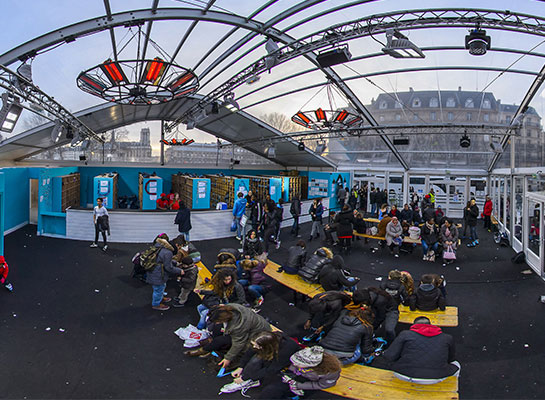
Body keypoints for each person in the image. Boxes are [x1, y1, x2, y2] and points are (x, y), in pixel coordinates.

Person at [187, 304, 272, 369]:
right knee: (217, 330)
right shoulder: (231, 309)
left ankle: (205, 350)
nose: (216, 323)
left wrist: (228, 358)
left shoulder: (238, 326)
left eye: (217, 321)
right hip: (249, 328)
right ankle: (210, 347)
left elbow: (238, 343)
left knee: (222, 340)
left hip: (257, 335)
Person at [383, 316, 460, 384]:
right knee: (456, 364)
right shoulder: (447, 337)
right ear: (431, 325)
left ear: (414, 325)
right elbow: (451, 359)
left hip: (404, 374)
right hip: (436, 378)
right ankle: (451, 384)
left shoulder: (405, 334)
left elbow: (389, 356)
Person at [220, 331, 301, 394]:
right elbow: (250, 351)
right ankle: (250, 378)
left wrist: (244, 378)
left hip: (285, 360)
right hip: (271, 352)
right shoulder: (263, 339)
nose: (254, 347)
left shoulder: (285, 350)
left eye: (257, 346)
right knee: (255, 360)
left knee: (261, 364)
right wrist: (241, 366)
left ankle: (251, 380)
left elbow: (271, 370)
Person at [259, 346, 341, 398]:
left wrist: (298, 385)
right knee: (271, 390)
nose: (294, 364)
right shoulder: (303, 357)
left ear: (311, 365)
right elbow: (293, 367)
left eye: (298, 363)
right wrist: (290, 375)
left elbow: (322, 384)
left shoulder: (330, 371)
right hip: (298, 377)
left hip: (311, 383)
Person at [146, 233, 183, 311]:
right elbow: (168, 267)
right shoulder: (168, 252)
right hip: (158, 274)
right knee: (158, 289)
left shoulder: (159, 246)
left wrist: (174, 262)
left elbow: (162, 260)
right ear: (176, 245)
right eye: (180, 247)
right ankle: (156, 304)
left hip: (153, 271)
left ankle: (160, 298)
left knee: (161, 287)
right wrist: (179, 271)